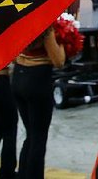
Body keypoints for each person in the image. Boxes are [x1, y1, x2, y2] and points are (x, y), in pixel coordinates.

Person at [12, 27, 66, 179]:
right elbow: (58, 61)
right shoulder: (44, 26)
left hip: (18, 75)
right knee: (38, 138)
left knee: (31, 135)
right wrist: (63, 44)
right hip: (37, 80)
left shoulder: (21, 20)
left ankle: (22, 174)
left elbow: (12, 57)